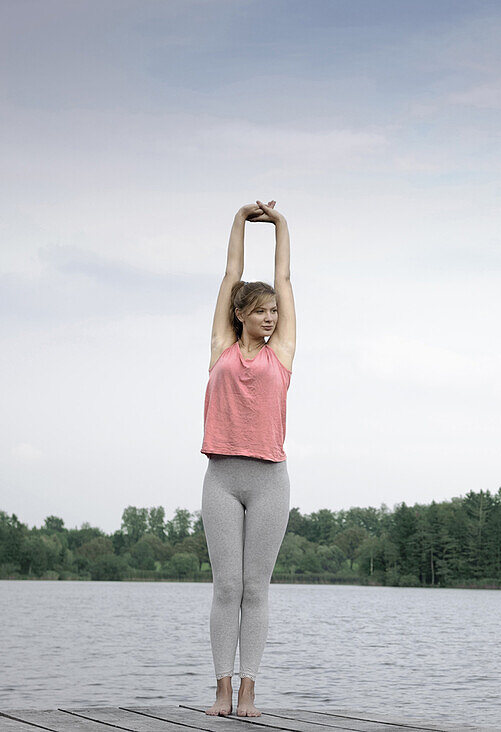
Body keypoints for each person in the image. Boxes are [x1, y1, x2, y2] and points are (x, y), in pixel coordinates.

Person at [201, 200, 296, 718]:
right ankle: (220, 689)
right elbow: (231, 272)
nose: (270, 316)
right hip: (221, 477)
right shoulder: (221, 346)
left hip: (269, 481)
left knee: (256, 587)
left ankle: (250, 690)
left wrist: (280, 225)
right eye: (261, 310)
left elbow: (282, 275)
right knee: (227, 586)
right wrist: (240, 219)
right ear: (240, 314)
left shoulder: (281, 353)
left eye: (274, 311)